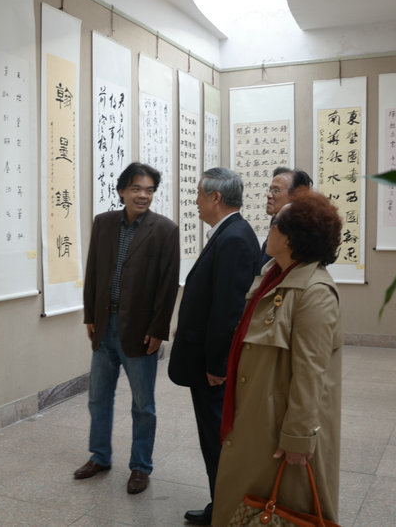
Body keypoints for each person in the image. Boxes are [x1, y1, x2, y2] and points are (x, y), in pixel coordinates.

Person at [212, 190, 343, 526]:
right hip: (256, 412)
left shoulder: (315, 292)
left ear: (290, 238)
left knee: (281, 505)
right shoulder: (273, 274)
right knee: (245, 498)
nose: (268, 229)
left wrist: (298, 437)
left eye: (274, 224)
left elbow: (311, 372)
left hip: (279, 427)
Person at [75, 162, 180, 495]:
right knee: (98, 398)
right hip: (105, 325)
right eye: (136, 189)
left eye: (149, 190)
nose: (143, 195)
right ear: (122, 191)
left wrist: (158, 330)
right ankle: (100, 456)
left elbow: (167, 286)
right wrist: (90, 315)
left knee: (142, 405)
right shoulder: (104, 223)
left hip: (140, 330)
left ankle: (140, 467)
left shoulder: (165, 230)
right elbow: (93, 272)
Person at [168, 167, 261, 525]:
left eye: (198, 195)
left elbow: (228, 310)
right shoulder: (230, 232)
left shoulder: (234, 237)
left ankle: (224, 510)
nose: (195, 202)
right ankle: (222, 505)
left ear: (215, 198)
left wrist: (217, 366)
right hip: (210, 361)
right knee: (215, 439)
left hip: (214, 369)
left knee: (217, 440)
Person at [261, 167, 313, 264]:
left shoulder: (300, 235)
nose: (269, 195)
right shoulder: (277, 224)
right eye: (270, 190)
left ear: (296, 196)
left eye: (276, 190)